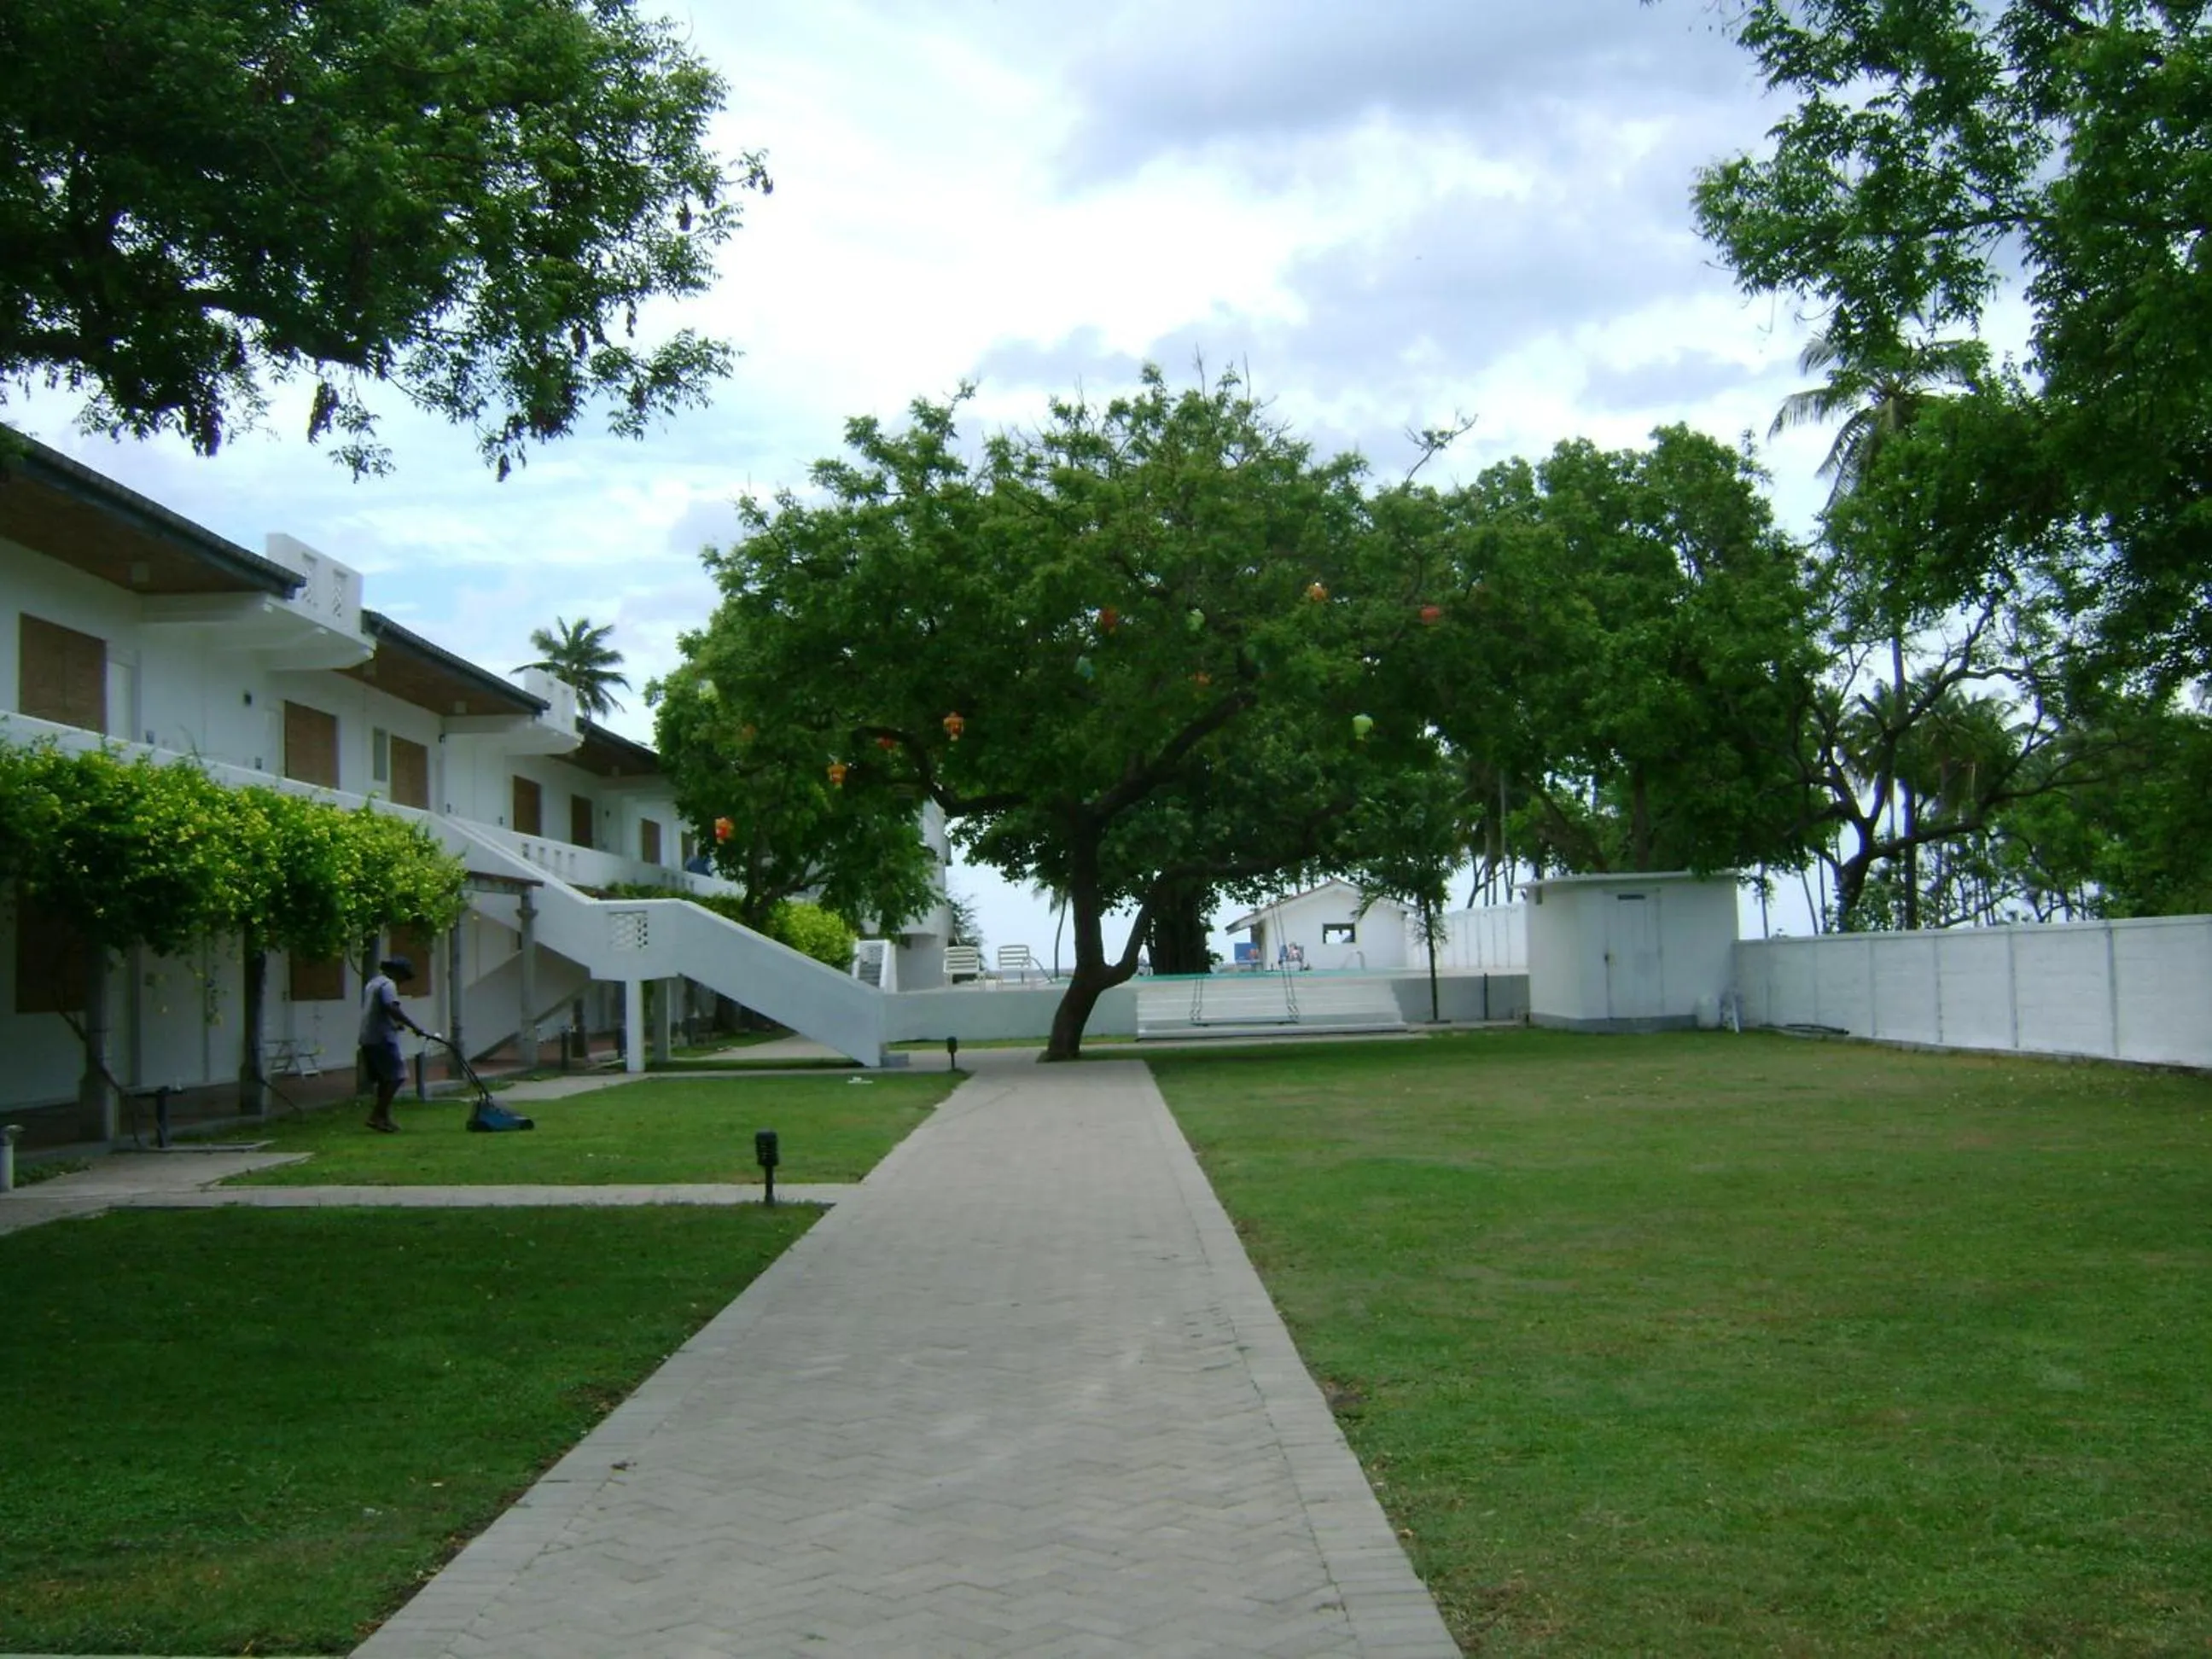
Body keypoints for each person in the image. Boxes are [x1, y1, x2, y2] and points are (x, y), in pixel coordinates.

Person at [359, 956, 435, 1133]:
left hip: (368, 1036)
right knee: (397, 1076)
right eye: (404, 977)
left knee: (385, 1079)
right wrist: (414, 1027)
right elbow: (391, 1007)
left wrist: (395, 1025)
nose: (403, 982)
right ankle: (377, 1115)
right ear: (397, 972)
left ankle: (383, 1118)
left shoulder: (373, 983)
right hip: (382, 1038)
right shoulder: (388, 985)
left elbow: (377, 1011)